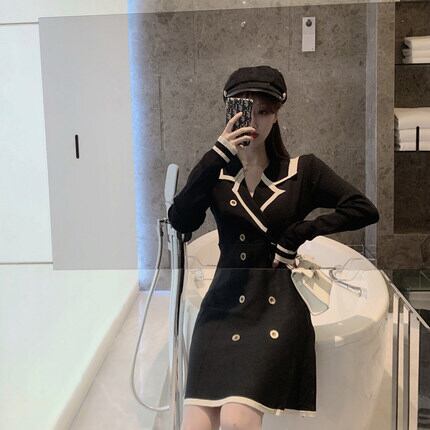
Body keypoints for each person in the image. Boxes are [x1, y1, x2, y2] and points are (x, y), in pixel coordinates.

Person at [168, 65, 380, 430]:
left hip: (273, 304)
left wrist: (299, 233)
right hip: (221, 304)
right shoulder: (216, 173)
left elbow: (363, 208)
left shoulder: (302, 171)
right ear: (229, 110)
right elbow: (180, 220)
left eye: (265, 111)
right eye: (245, 110)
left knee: (236, 420)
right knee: (194, 425)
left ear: (277, 115)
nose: (255, 121)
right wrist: (218, 152)